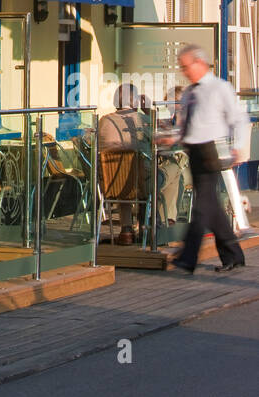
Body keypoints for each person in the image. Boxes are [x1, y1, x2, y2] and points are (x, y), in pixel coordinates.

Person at [162, 45, 248, 274]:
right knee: (211, 206)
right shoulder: (190, 92)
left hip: (211, 150)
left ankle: (187, 257)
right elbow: (187, 123)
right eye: (181, 67)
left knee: (202, 206)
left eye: (186, 66)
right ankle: (233, 255)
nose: (184, 71)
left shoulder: (220, 88)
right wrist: (175, 139)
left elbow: (239, 118)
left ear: (200, 63)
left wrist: (238, 146)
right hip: (194, 151)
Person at [100, 83, 182, 243]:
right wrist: (150, 114)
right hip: (141, 184)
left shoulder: (103, 121)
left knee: (123, 173)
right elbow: (165, 142)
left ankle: (126, 230)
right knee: (174, 167)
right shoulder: (142, 120)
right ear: (135, 101)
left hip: (108, 183)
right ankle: (166, 223)